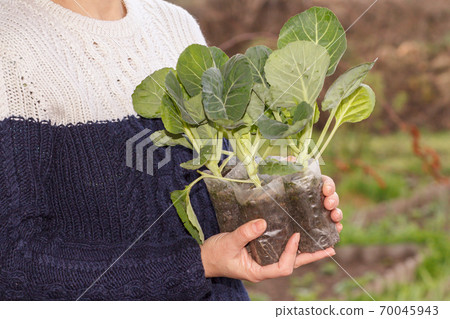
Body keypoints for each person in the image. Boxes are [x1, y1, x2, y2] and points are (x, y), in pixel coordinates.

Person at [0, 0, 343, 300]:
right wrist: (199, 263)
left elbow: (215, 174)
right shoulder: (11, 44)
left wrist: (282, 190)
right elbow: (14, 261)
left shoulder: (175, 24)